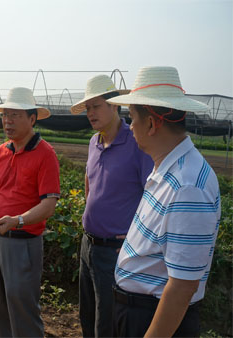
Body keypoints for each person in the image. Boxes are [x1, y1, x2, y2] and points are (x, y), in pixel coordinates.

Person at [107, 66, 221, 337]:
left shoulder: (187, 185)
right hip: (138, 311)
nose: (130, 125)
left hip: (153, 319)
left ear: (151, 123)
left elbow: (182, 287)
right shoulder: (168, 168)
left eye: (132, 117)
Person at [0, 87, 60, 337]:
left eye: (15, 115)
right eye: (5, 115)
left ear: (32, 119)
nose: (7, 120)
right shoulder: (0, 152)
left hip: (25, 242)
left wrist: (18, 220)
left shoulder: (45, 154)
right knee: (0, 304)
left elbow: (48, 206)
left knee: (23, 307)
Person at [70, 75, 153, 337]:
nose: (90, 113)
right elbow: (89, 183)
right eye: (88, 108)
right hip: (88, 246)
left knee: (107, 323)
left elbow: (152, 196)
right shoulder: (93, 143)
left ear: (115, 105)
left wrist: (135, 238)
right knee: (87, 315)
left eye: (96, 106)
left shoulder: (136, 143)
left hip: (115, 252)